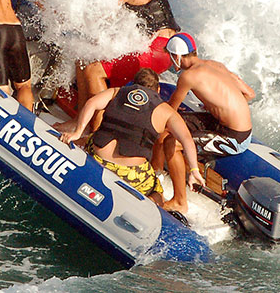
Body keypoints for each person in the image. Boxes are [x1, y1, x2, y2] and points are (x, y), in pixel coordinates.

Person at [71, 0, 181, 134]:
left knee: (93, 70)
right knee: (82, 58)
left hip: (159, 49)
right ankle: (79, 119)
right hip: (154, 47)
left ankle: (97, 135)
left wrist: (63, 12)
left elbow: (98, 15)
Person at [60, 68, 205, 210]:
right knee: (156, 190)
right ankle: (143, 208)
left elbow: (91, 103)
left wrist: (78, 132)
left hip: (97, 159)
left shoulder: (117, 92)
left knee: (89, 138)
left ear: (134, 84)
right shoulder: (166, 111)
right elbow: (186, 139)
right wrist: (194, 170)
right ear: (158, 90)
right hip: (130, 173)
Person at [155, 32, 256, 213]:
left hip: (233, 137)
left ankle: (179, 201)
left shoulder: (188, 77)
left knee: (171, 141)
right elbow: (249, 94)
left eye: (171, 57)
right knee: (169, 131)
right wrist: (218, 105)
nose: (170, 63)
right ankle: (156, 174)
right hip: (225, 124)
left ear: (177, 56)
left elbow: (169, 112)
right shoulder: (214, 65)